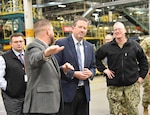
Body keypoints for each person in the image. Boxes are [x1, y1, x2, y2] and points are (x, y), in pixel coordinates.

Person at [95, 21, 148, 115]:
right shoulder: (107, 47)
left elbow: (143, 61)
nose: (117, 31)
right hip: (114, 87)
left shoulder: (134, 46)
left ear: (125, 31)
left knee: (133, 111)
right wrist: (104, 69)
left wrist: (141, 77)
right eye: (115, 30)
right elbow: (96, 58)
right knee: (115, 112)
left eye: (119, 29)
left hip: (131, 86)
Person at [23, 19, 74, 115]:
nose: (54, 33)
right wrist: (45, 54)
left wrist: (62, 69)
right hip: (41, 106)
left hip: (47, 106)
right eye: (53, 30)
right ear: (48, 31)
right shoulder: (34, 46)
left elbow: (45, 71)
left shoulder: (45, 48)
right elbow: (34, 59)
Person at [54, 16, 96, 115]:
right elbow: (56, 67)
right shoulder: (61, 43)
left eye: (84, 28)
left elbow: (93, 66)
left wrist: (91, 73)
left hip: (84, 93)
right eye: (80, 27)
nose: (82, 30)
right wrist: (73, 74)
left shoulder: (89, 47)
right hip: (67, 93)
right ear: (73, 28)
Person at [0, 32, 26, 115]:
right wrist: (8, 88)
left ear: (24, 42)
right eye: (16, 42)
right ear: (11, 44)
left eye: (20, 41)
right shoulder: (4, 58)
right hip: (12, 98)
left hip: (28, 96)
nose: (19, 44)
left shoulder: (29, 55)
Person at [140, 36, 150, 115]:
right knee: (148, 89)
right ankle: (145, 107)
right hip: (149, 69)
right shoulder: (146, 41)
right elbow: (141, 54)